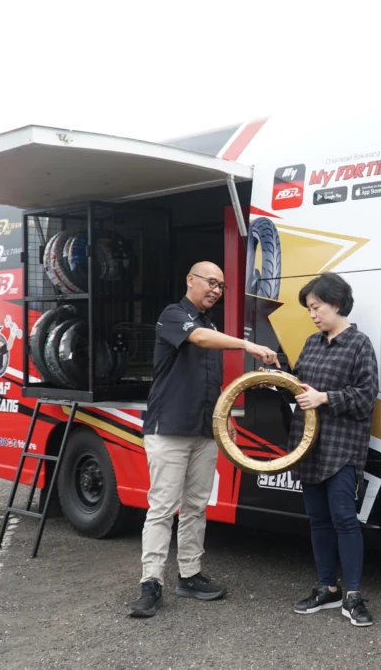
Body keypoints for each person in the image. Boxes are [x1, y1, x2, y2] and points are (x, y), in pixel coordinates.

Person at [128, 261, 280, 618]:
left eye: (221, 286)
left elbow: (210, 383)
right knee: (163, 508)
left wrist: (223, 421)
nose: (216, 289)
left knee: (196, 506)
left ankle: (190, 575)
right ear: (190, 280)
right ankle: (150, 583)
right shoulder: (174, 315)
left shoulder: (210, 324)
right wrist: (248, 345)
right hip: (169, 430)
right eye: (210, 282)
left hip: (204, 432)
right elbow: (197, 339)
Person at [286, 272, 380, 627]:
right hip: (308, 446)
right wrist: (278, 375)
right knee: (318, 521)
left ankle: (353, 595)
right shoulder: (311, 343)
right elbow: (297, 388)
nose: (312, 314)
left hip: (342, 448)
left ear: (336, 304)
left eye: (317, 306)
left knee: (344, 519)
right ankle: (328, 589)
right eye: (310, 308)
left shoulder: (359, 344)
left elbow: (366, 395)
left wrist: (324, 398)